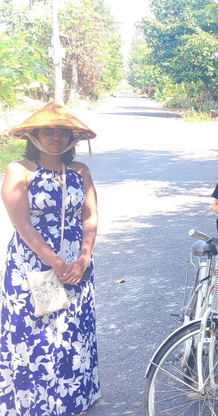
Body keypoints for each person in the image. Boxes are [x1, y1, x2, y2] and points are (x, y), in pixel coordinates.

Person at [0, 102, 100, 415]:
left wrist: (84, 256)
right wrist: (55, 263)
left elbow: (91, 215)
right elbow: (23, 224)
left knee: (73, 332)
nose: (55, 136)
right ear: (34, 135)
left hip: (76, 268)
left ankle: (73, 400)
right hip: (32, 269)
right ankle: (35, 406)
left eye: (62, 131)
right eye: (48, 130)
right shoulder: (20, 171)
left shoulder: (80, 171)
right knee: (36, 337)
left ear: (73, 137)